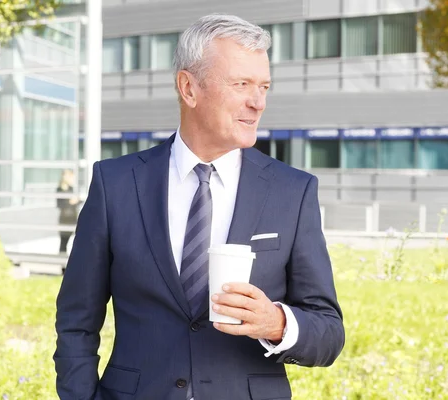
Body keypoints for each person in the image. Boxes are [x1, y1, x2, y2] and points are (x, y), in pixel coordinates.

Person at [54, 14, 344, 399]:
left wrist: (276, 322)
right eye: (241, 84)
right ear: (189, 88)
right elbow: (76, 320)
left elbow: (329, 332)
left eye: (264, 86)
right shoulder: (116, 184)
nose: (257, 102)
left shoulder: (293, 191)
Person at [56, 169, 78, 254]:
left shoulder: (71, 189)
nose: (73, 180)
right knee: (64, 241)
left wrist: (76, 201)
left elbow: (77, 202)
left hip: (73, 218)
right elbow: (59, 204)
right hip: (65, 219)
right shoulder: (59, 190)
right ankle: (62, 263)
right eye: (72, 177)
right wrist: (70, 202)